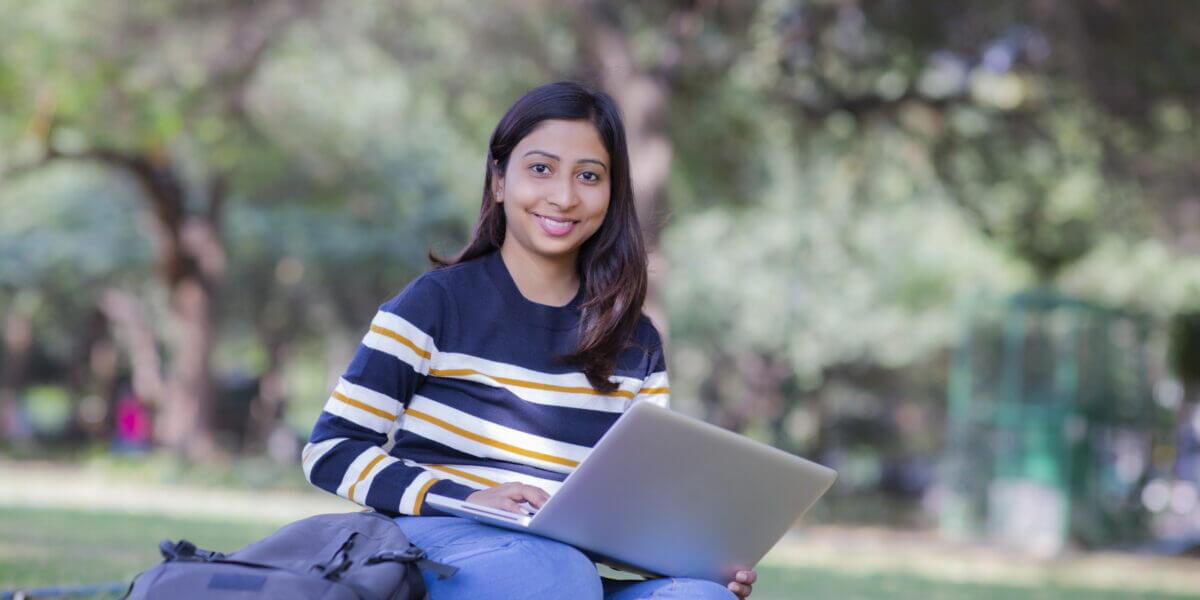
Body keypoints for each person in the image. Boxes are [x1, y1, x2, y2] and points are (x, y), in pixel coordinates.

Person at [303, 81, 757, 599]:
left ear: (611, 195)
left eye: (589, 176)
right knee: (550, 572)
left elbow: (626, 513)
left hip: (569, 571)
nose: (564, 197)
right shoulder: (435, 303)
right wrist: (472, 497)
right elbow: (330, 450)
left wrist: (691, 564)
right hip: (440, 551)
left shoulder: (638, 344)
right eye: (541, 169)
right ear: (498, 180)